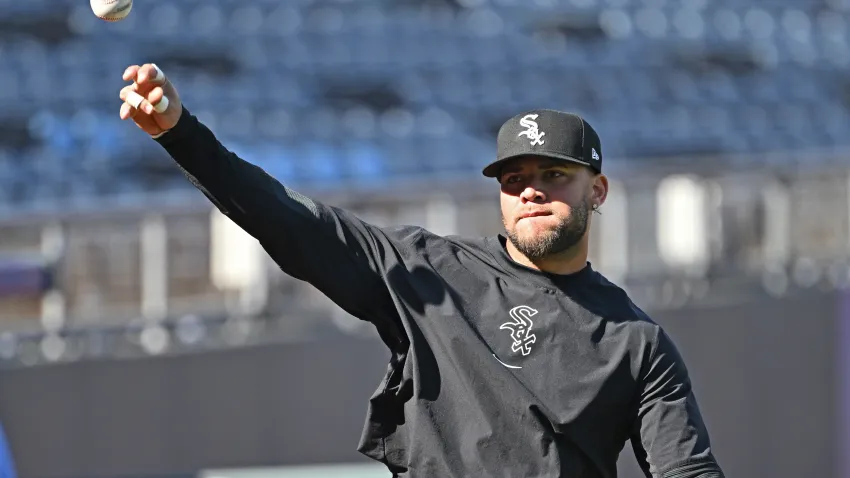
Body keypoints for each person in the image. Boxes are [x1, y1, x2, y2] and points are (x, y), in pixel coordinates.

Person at [118, 63, 725, 478]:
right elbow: (287, 220)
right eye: (514, 179)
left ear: (599, 191)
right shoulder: (429, 273)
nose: (531, 192)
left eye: (554, 176)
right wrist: (181, 133)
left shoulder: (637, 344)